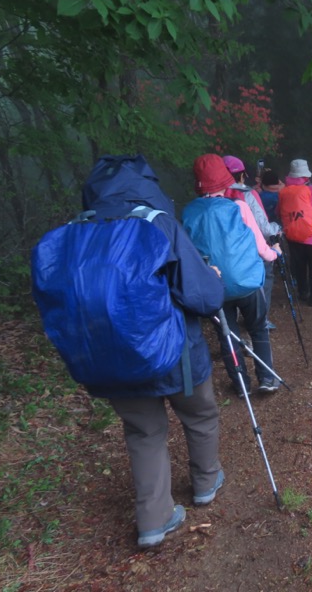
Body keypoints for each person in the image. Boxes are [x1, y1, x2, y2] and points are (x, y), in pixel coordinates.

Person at [81, 158, 226, 549]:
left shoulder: (81, 230)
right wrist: (211, 279)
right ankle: (205, 481)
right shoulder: (158, 222)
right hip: (173, 353)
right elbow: (203, 297)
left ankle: (153, 519)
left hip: (111, 358)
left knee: (143, 431)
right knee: (199, 414)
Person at [184, 154, 282, 395]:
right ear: (225, 181)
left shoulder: (188, 214)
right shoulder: (239, 207)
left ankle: (241, 385)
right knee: (258, 328)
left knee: (228, 335)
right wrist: (275, 253)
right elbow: (262, 249)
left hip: (215, 286)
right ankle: (267, 379)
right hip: (247, 282)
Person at [223, 155, 281, 331]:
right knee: (265, 279)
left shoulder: (214, 195)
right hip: (253, 251)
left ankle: (235, 336)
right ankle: (259, 323)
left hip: (226, 254)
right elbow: (264, 228)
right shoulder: (248, 195)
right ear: (242, 175)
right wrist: (278, 227)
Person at [279, 158, 312, 307]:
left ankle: (303, 292)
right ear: (306, 176)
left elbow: (279, 211)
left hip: (293, 235)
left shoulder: (284, 192)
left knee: (299, 265)